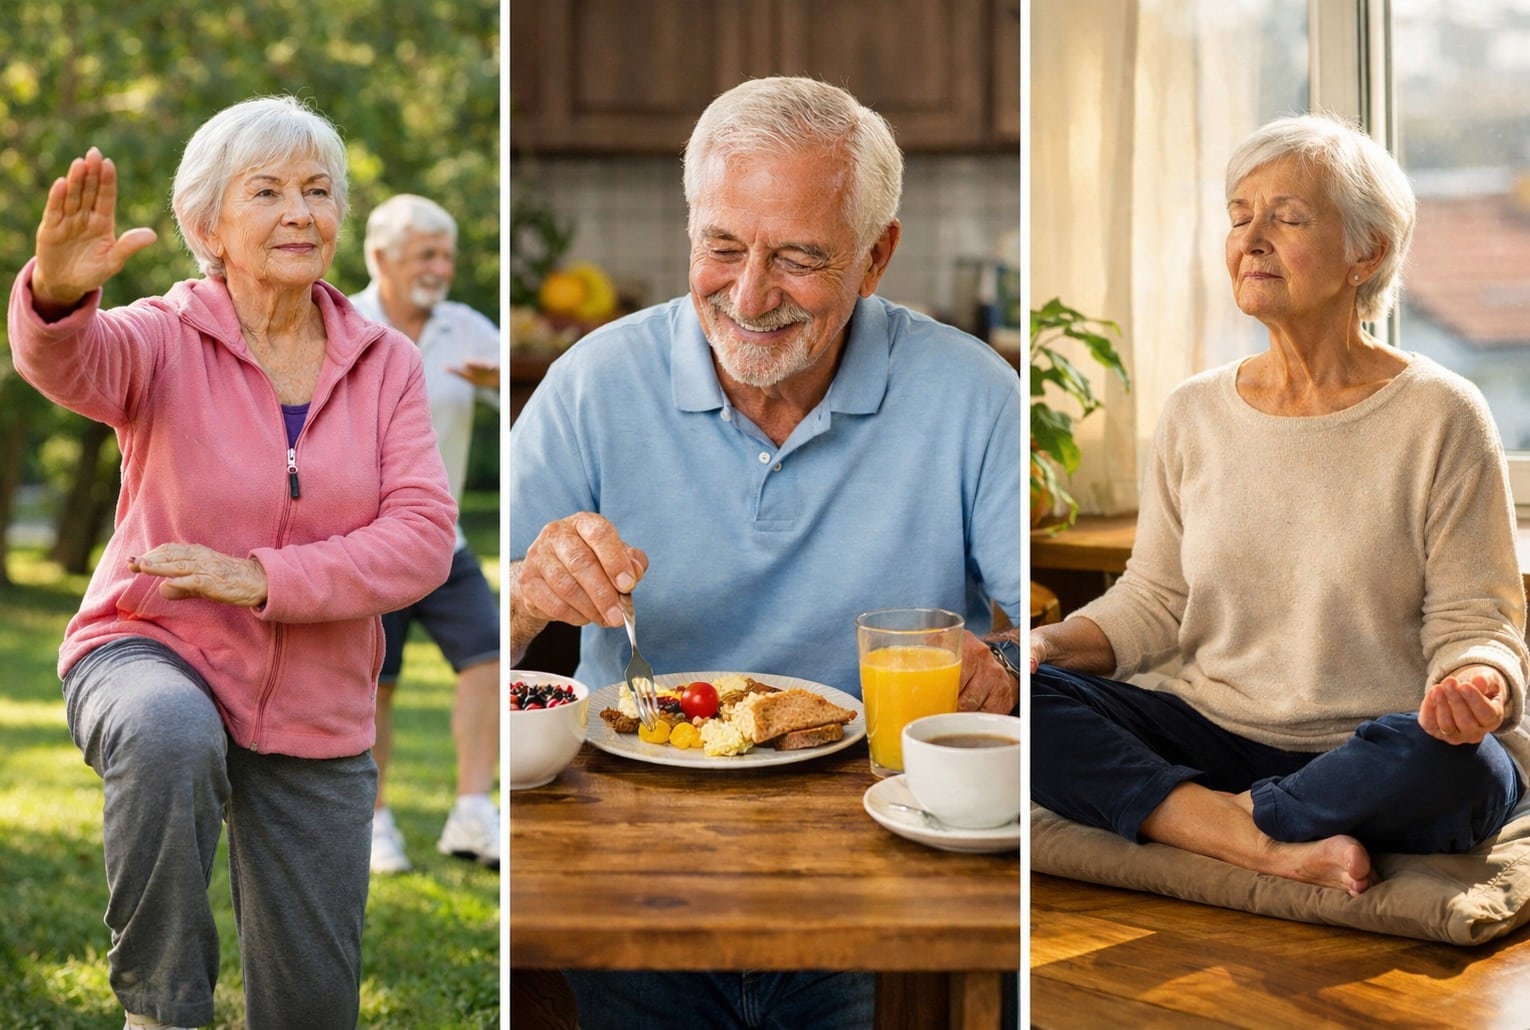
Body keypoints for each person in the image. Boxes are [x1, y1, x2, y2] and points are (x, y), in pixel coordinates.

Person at [508, 76, 1022, 1029]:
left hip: (883, 856)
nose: (749, 295)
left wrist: (1007, 665)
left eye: (798, 257)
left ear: (877, 258)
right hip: (631, 859)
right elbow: (470, 636)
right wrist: (530, 596)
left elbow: (1052, 644)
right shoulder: (589, 384)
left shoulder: (975, 395)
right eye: (723, 248)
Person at [7, 97, 457, 1029]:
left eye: (317, 190)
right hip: (150, 645)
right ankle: (161, 1011)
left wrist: (262, 579)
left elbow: (421, 538)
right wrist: (54, 297)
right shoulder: (161, 338)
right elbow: (70, 363)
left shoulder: (388, 364)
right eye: (268, 191)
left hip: (319, 700)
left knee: (311, 1008)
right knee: (168, 731)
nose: (301, 211)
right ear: (209, 226)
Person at [1030, 112, 1529, 899]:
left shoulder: (1442, 412)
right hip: (1214, 730)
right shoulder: (1194, 411)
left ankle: (1202, 820)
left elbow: (1478, 623)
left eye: (1288, 217)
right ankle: (1264, 842)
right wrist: (1044, 646)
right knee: (1024, 699)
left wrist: (1476, 683)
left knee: (1471, 771)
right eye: (1239, 216)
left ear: (1366, 252)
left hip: (1374, 747)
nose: (1251, 237)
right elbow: (1157, 601)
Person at [350, 195, 502, 873]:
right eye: (426, 255)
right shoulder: (342, 322)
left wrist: (501, 382)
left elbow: (531, 399)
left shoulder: (465, 327)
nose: (441, 268)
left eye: (447, 255)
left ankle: (474, 812)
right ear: (380, 258)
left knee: (491, 662)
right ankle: (376, 822)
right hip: (367, 544)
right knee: (376, 684)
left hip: (443, 542)